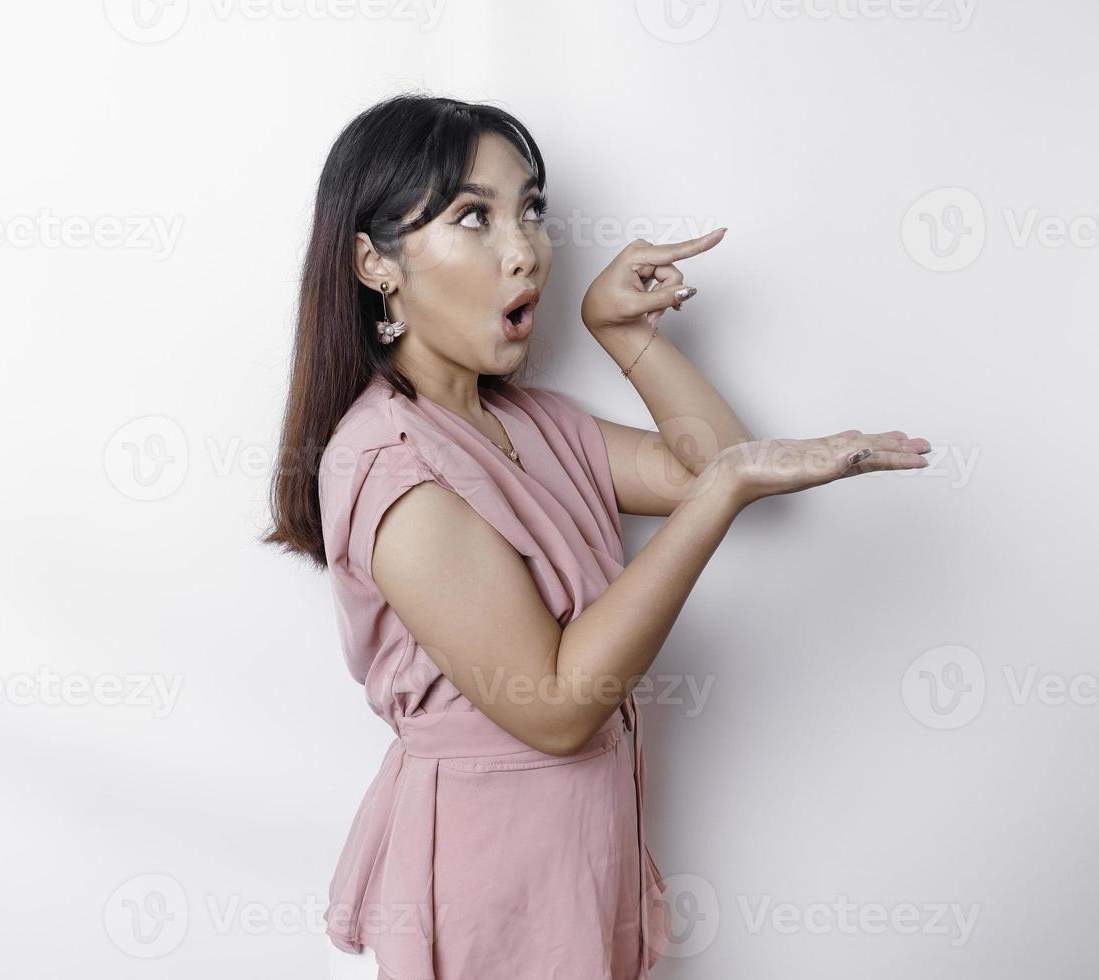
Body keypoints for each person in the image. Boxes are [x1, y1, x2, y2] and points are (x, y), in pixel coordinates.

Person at [264, 92, 931, 980]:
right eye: (475, 217)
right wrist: (723, 491)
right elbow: (554, 707)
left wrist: (622, 335)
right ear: (375, 263)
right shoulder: (390, 464)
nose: (525, 249)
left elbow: (712, 463)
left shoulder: (525, 421)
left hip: (580, 853)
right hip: (489, 873)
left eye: (530, 209)